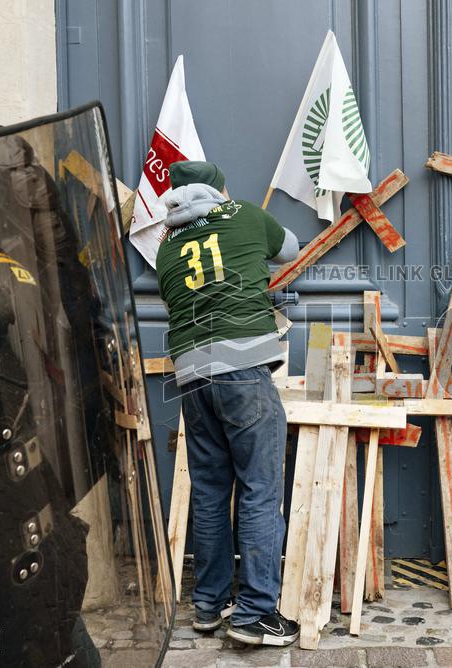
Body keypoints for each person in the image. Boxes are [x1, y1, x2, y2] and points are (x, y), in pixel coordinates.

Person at [155, 161, 300, 646]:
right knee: (259, 489)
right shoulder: (246, 215)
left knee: (210, 491)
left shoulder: (165, 246)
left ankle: (208, 605)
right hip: (242, 367)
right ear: (220, 189)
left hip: (191, 375)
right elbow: (290, 249)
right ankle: (255, 614)